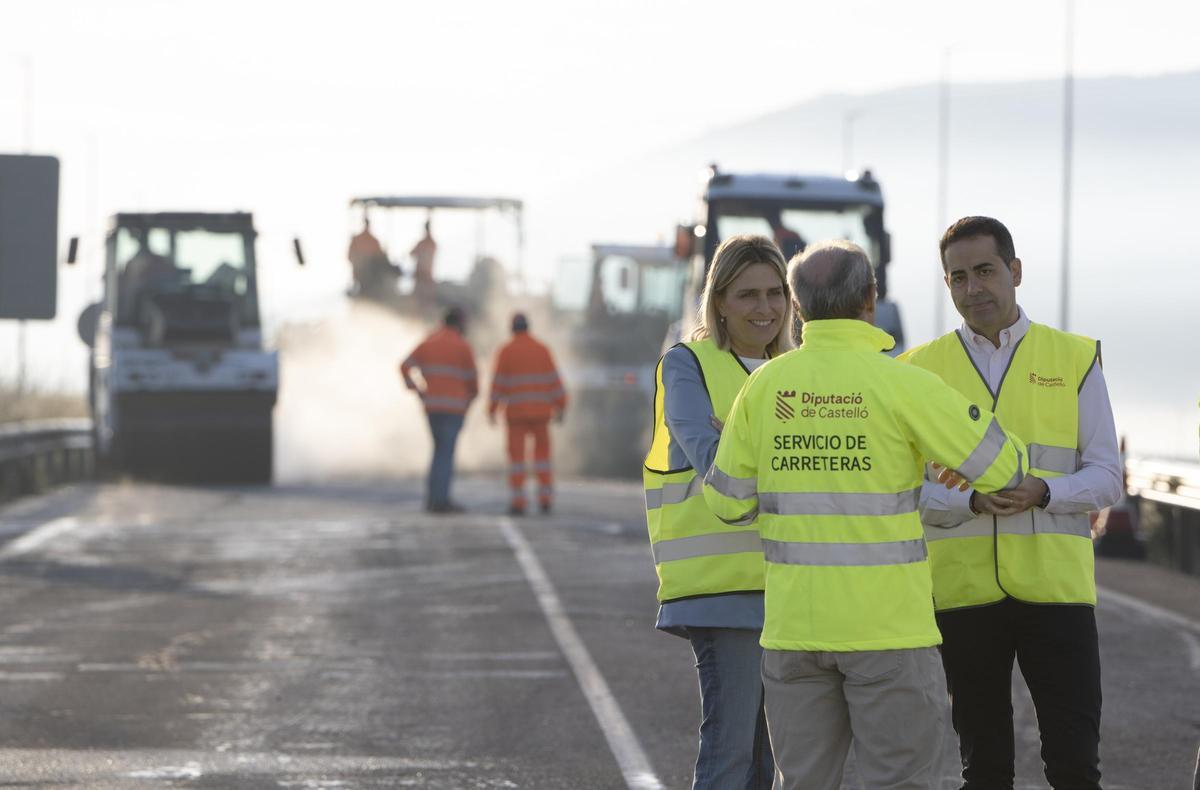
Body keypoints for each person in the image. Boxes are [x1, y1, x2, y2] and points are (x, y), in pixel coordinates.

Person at [703, 239, 1028, 790]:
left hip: (794, 633)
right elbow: (1004, 469)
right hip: (889, 632)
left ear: (798, 306)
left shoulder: (764, 387)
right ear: (870, 298)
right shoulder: (903, 384)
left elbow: (727, 503)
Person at [900, 216, 1121, 790]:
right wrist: (969, 501)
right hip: (963, 596)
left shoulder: (1074, 357)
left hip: (1058, 594)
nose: (974, 288)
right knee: (985, 770)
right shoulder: (916, 371)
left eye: (985, 271)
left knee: (1075, 768)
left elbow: (1106, 476)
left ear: (1014, 272)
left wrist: (1046, 492)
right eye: (958, 277)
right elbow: (902, 492)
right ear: (946, 285)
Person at [643, 234, 791, 789]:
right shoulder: (687, 365)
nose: (765, 308)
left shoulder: (795, 370)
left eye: (776, 293)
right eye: (747, 294)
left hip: (788, 588)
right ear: (720, 301)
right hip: (720, 590)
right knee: (730, 754)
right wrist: (776, 456)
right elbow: (713, 463)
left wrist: (740, 442)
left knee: (764, 763)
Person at [400, 307, 478, 513]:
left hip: (432, 408)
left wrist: (416, 389)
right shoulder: (463, 347)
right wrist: (470, 399)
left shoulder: (429, 343)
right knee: (445, 454)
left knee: (438, 453)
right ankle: (440, 501)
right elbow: (473, 383)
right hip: (453, 411)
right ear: (459, 323)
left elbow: (404, 366)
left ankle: (434, 498)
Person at [488, 312, 567, 515]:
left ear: (512, 328)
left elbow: (498, 385)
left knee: (517, 460)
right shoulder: (542, 350)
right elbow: (555, 382)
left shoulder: (506, 351)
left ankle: (518, 502)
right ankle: (545, 499)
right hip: (541, 414)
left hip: (516, 415)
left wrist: (491, 410)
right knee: (542, 458)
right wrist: (561, 406)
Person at [347, 217, 389, 294]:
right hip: (360, 271)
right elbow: (349, 255)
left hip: (371, 273)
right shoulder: (357, 239)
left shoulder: (373, 240)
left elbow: (380, 256)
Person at [411, 219, 438, 300]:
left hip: (423, 275)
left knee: (422, 299)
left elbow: (412, 253)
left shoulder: (425, 243)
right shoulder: (431, 243)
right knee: (421, 299)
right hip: (423, 276)